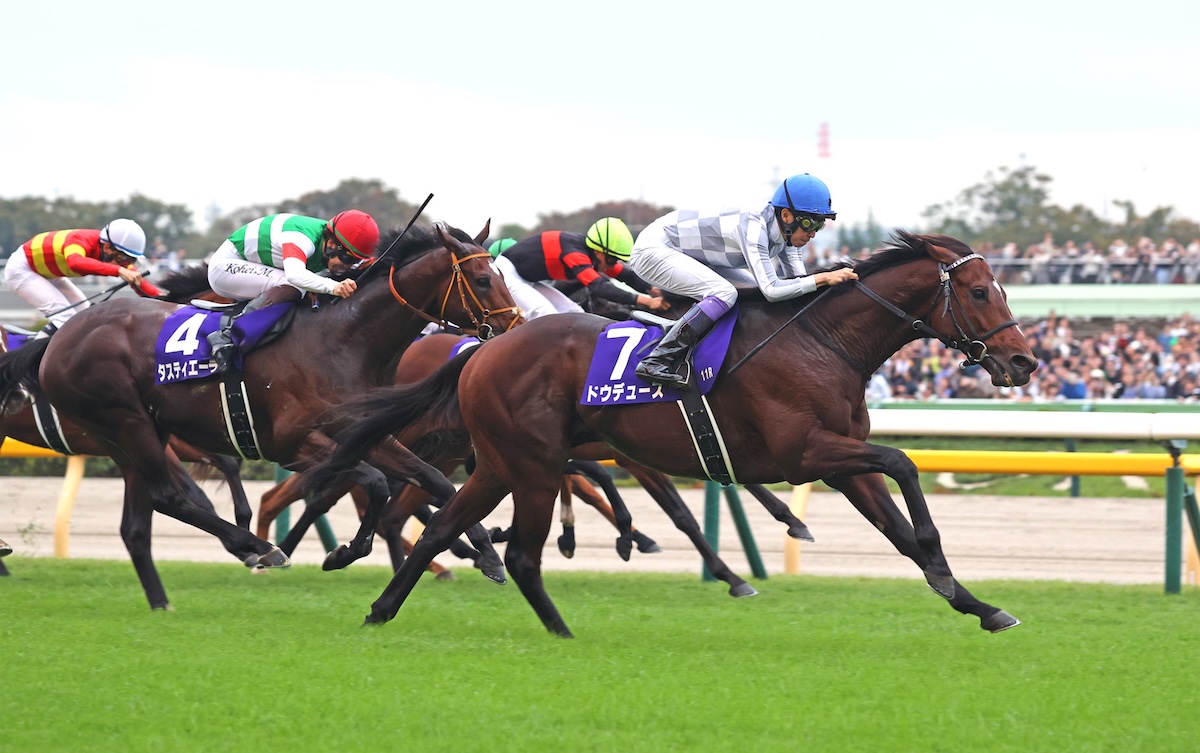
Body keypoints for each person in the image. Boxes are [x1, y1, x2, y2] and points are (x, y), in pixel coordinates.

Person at [629, 173, 857, 386]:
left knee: (749, 289)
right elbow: (773, 290)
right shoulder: (754, 225)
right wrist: (825, 277)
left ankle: (691, 334)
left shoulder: (788, 234)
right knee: (725, 293)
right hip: (654, 249)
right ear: (786, 215)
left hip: (692, 254)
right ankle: (657, 359)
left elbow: (798, 284)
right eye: (809, 223)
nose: (813, 233)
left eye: (819, 224)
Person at [206, 210, 379, 373]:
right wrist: (333, 287)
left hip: (255, 266)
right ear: (332, 244)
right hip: (225, 268)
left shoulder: (329, 243)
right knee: (295, 286)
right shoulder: (301, 238)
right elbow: (295, 275)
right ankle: (226, 336)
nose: (347, 266)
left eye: (355, 261)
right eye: (347, 258)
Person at [3, 218, 160, 338]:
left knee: (86, 316)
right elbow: (75, 262)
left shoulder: (112, 256)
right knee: (65, 317)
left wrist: (163, 299)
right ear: (107, 247)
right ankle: (26, 367)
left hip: (49, 273)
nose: (125, 264)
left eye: (129, 260)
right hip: (22, 270)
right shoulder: (80, 239)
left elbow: (139, 281)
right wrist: (118, 270)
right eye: (121, 258)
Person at [490, 218, 667, 321]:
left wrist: (652, 289)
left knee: (575, 313)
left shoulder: (594, 254)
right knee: (545, 314)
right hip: (507, 272)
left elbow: (624, 274)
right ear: (599, 251)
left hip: (527, 278)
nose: (612, 265)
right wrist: (647, 301)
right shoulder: (575, 254)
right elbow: (599, 287)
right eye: (612, 260)